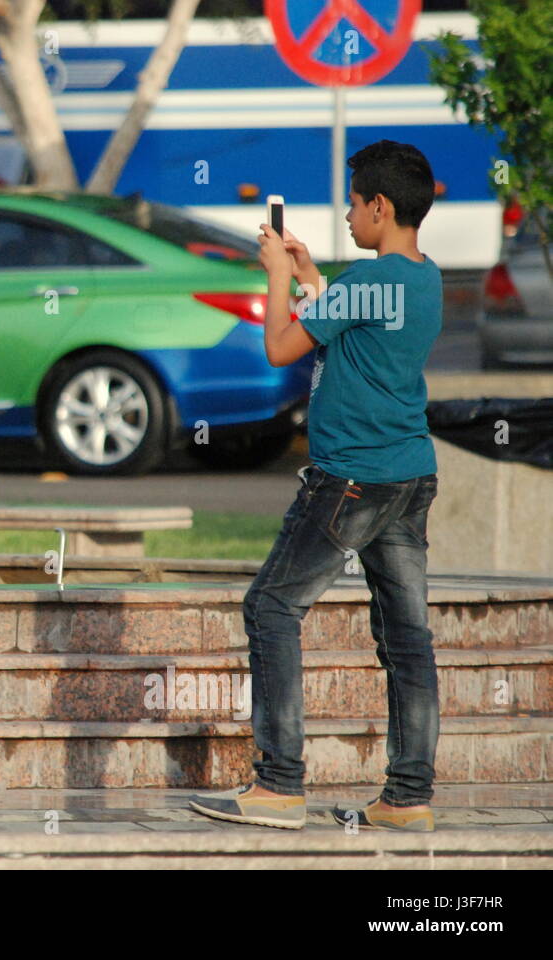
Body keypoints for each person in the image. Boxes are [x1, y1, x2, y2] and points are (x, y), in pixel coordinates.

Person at [189, 141, 443, 832]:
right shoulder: (425, 280)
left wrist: (276, 275)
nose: (349, 212)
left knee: (271, 607)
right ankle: (408, 797)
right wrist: (309, 276)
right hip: (409, 475)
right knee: (407, 636)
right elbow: (358, 330)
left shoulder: (367, 281)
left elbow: (280, 348)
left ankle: (278, 784)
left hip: (350, 478)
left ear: (381, 206)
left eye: (356, 202)